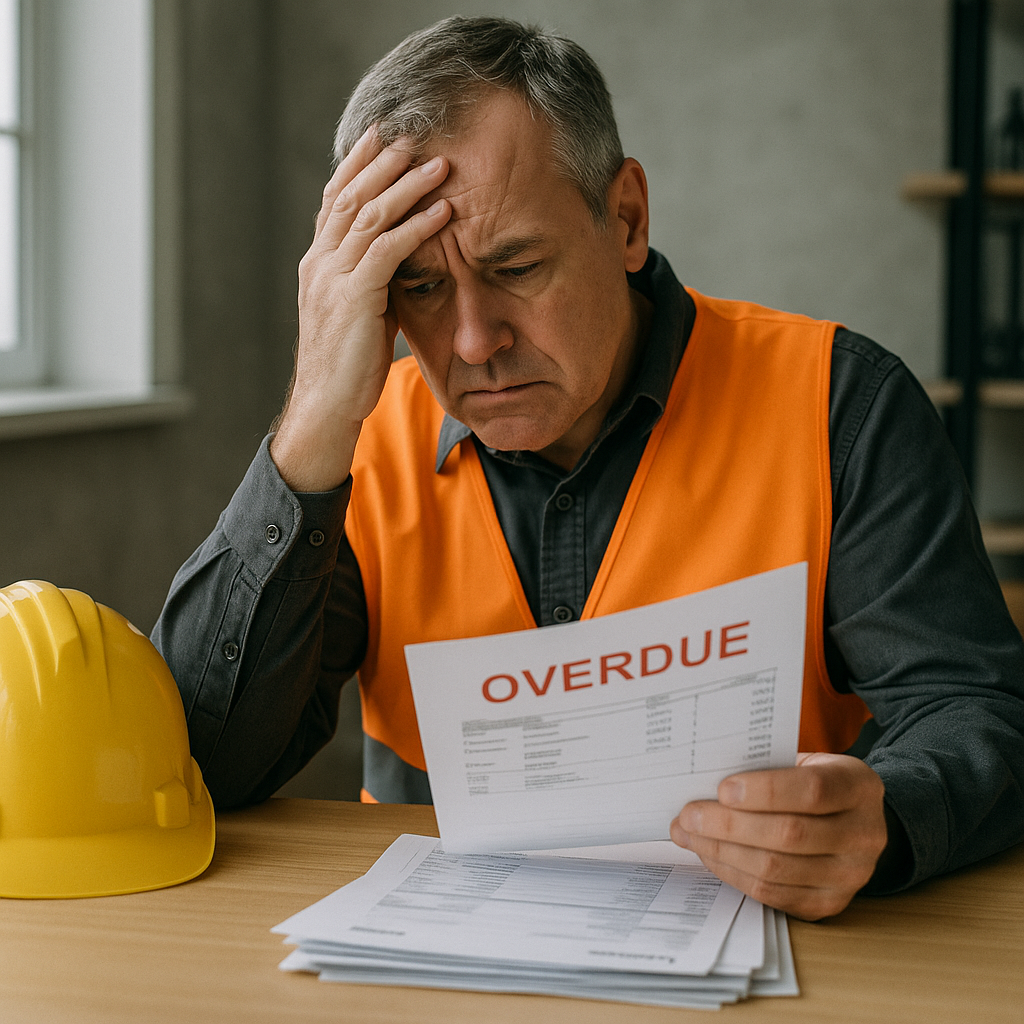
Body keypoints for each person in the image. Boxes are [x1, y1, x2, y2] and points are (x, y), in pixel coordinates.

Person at [152, 16, 1024, 921]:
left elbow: (977, 712)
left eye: (517, 265)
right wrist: (312, 428)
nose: (473, 341)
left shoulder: (841, 407)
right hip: (430, 971)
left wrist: (887, 819)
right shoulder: (357, 444)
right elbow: (203, 767)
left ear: (627, 219)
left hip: (771, 953)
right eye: (419, 286)